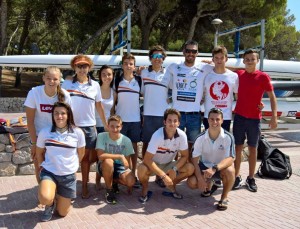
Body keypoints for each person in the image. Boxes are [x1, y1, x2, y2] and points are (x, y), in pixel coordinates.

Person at [62, 54, 107, 198]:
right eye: (79, 66)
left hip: (89, 127)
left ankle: (85, 186)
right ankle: (69, 187)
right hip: (71, 127)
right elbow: (61, 106)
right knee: (70, 157)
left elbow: (99, 106)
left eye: (84, 66)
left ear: (89, 68)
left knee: (86, 160)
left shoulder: (95, 85)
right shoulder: (67, 84)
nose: (82, 69)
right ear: (74, 68)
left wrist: (105, 124)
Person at [233, 49, 278, 192]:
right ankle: (236, 176)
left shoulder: (264, 77)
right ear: (244, 61)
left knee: (253, 149)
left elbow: (272, 97)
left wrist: (274, 116)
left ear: (257, 61)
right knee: (237, 148)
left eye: (253, 59)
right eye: (247, 59)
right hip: (239, 117)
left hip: (254, 120)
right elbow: (224, 69)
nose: (250, 61)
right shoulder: (239, 74)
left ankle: (251, 178)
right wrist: (210, 63)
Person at [36, 102, 85, 221]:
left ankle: (58, 197)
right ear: (52, 116)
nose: (59, 116)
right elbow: (39, 152)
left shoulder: (78, 132)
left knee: (62, 213)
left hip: (68, 176)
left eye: (63, 113)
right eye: (56, 113)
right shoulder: (45, 132)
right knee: (45, 198)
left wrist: (73, 167)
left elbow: (81, 153)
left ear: (68, 115)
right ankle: (49, 204)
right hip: (50, 173)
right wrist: (42, 166)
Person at [24, 66, 72, 183]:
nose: (51, 81)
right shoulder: (34, 93)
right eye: (48, 78)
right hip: (39, 136)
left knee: (57, 168)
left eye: (55, 79)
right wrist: (35, 142)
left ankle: (56, 194)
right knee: (39, 167)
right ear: (43, 78)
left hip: (58, 137)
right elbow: (30, 121)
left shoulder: (65, 95)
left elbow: (68, 119)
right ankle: (43, 194)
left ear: (60, 80)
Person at [137, 108, 194, 203]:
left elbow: (185, 156)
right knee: (141, 169)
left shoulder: (182, 135)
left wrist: (174, 169)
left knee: (190, 168)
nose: (172, 123)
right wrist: (163, 176)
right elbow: (147, 159)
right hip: (153, 165)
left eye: (175, 121)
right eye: (169, 120)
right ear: (164, 122)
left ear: (179, 123)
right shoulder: (157, 135)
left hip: (168, 164)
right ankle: (145, 190)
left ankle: (171, 185)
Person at [165, 40, 213, 151]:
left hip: (194, 115)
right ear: (183, 52)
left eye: (193, 51)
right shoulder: (173, 67)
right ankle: (175, 167)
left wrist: (212, 62)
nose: (190, 53)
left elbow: (222, 69)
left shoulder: (204, 67)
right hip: (177, 115)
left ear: (197, 53)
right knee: (174, 144)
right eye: (188, 51)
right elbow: (161, 78)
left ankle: (191, 168)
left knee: (193, 146)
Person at [187, 108, 235, 210]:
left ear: (222, 120)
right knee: (191, 183)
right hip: (205, 168)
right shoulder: (200, 138)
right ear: (207, 120)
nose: (214, 122)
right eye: (212, 119)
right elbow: (194, 160)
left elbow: (230, 158)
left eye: (217, 119)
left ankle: (224, 197)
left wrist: (214, 169)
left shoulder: (228, 137)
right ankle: (208, 185)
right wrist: (200, 179)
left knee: (230, 170)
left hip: (220, 168)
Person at [140, 45, 171, 187]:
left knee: (163, 147)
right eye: (155, 56)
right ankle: (145, 173)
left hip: (163, 116)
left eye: (160, 56)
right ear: (150, 58)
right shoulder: (143, 73)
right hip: (148, 114)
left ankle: (161, 175)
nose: (157, 59)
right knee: (147, 145)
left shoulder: (169, 74)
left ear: (163, 59)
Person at [114, 54, 142, 187]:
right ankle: (123, 174)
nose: (128, 66)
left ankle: (133, 174)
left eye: (131, 64)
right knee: (121, 149)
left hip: (135, 119)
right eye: (125, 63)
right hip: (121, 121)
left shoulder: (139, 80)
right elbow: (113, 101)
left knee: (134, 149)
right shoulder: (117, 81)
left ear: (134, 66)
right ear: (122, 65)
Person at [95, 115, 135, 204]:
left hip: (119, 167)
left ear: (121, 127)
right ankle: (109, 191)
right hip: (104, 165)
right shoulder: (101, 136)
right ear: (108, 126)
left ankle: (113, 182)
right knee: (109, 161)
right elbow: (100, 156)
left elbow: (127, 162)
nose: (115, 129)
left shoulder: (126, 140)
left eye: (117, 126)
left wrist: (130, 180)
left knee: (131, 181)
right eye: (112, 126)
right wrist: (120, 156)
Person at [203, 46, 238, 132]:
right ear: (213, 59)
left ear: (226, 59)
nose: (219, 60)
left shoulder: (234, 76)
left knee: (223, 144)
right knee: (209, 142)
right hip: (209, 116)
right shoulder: (206, 75)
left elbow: (238, 97)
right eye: (216, 58)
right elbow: (202, 93)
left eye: (222, 58)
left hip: (225, 117)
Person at [93, 65, 117, 189]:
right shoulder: (94, 89)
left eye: (109, 74)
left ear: (112, 76)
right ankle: (97, 179)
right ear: (99, 76)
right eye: (104, 74)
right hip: (95, 126)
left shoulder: (114, 93)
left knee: (107, 155)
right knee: (98, 155)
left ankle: (108, 180)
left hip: (108, 128)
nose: (107, 77)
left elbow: (112, 111)